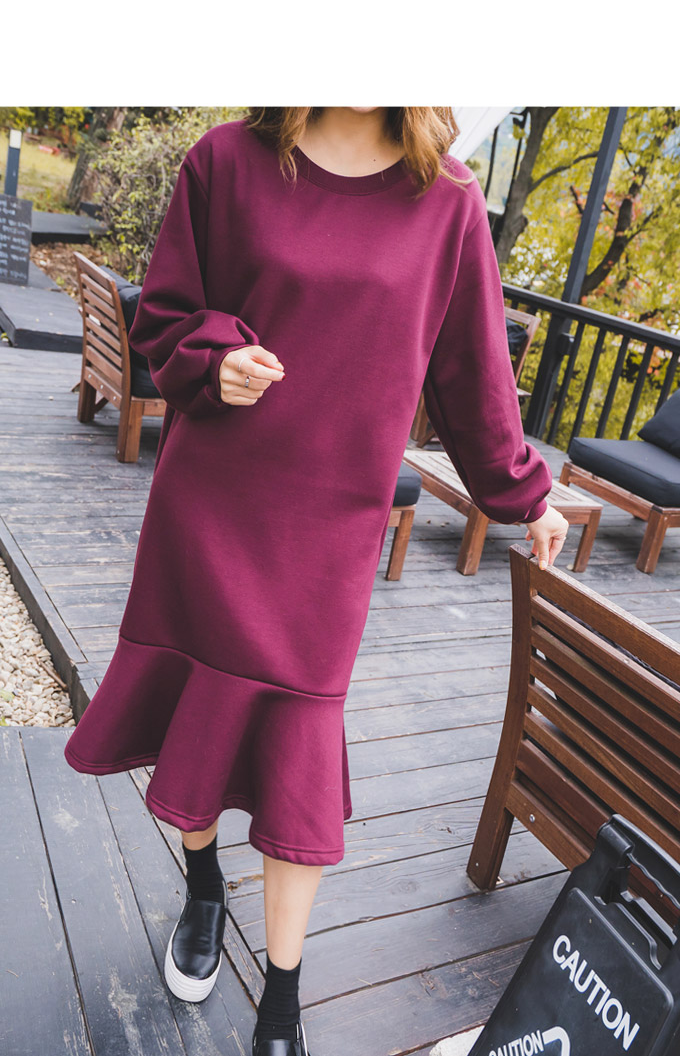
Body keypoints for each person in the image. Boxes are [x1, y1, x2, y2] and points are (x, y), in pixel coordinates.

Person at [63, 106, 570, 1056]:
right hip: (208, 510)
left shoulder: (449, 202)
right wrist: (214, 361)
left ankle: (282, 998)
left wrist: (525, 493)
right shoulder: (224, 162)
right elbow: (163, 320)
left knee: (298, 753)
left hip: (327, 538)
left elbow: (472, 373)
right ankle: (204, 891)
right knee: (194, 718)